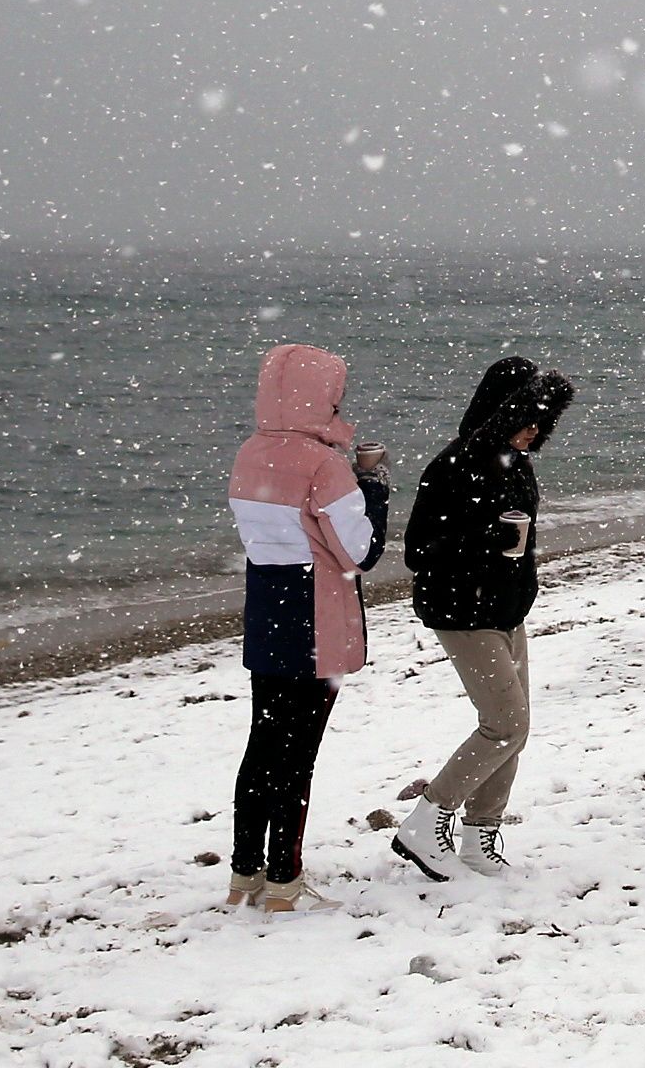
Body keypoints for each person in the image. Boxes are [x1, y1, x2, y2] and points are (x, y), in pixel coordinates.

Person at [395, 357, 575, 882]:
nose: (533, 432)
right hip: (462, 611)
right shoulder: (453, 467)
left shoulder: (518, 465)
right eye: (526, 419)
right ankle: (428, 818)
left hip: (506, 610)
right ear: (501, 413)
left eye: (542, 423)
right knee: (505, 725)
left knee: (515, 728)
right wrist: (488, 541)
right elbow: (419, 551)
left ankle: (480, 833)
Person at [225, 344, 391, 913]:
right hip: (314, 616)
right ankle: (283, 882)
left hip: (267, 609)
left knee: (262, 743)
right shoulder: (325, 464)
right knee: (298, 754)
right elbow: (360, 552)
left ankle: (243, 872)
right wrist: (374, 487)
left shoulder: (250, 453)